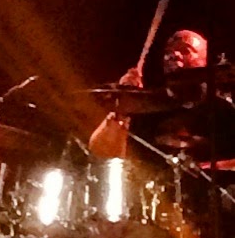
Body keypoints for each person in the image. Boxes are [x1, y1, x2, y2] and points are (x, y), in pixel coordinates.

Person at [89, 29, 209, 158]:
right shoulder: (150, 102)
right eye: (168, 52)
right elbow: (100, 151)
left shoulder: (216, 107)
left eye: (185, 50)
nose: (173, 55)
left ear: (204, 61)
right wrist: (123, 101)